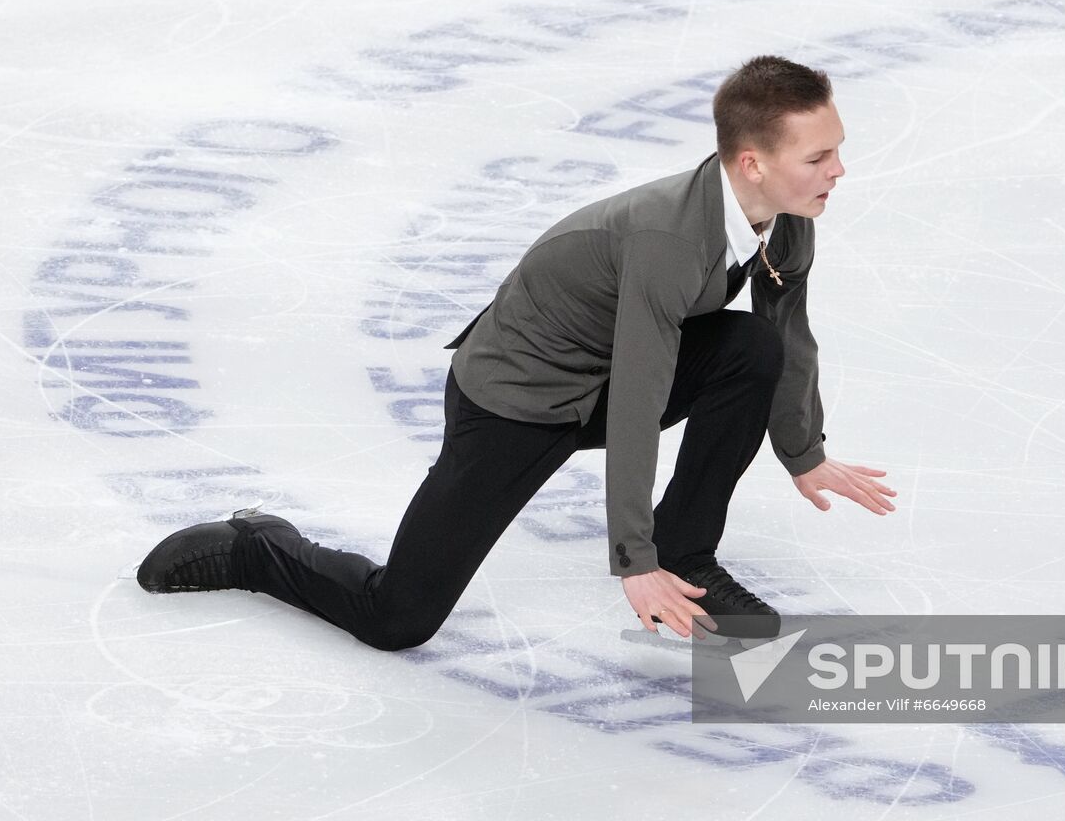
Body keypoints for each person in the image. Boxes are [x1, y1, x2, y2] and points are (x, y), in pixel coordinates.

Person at [136, 54, 897, 649]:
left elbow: (787, 336)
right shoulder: (670, 239)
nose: (837, 171)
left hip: (600, 379)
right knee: (397, 618)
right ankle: (256, 548)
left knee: (751, 346)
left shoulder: (789, 219)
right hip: (516, 398)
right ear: (751, 163)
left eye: (836, 151)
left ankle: (688, 555)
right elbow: (639, 397)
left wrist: (803, 451)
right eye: (818, 156)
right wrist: (632, 563)